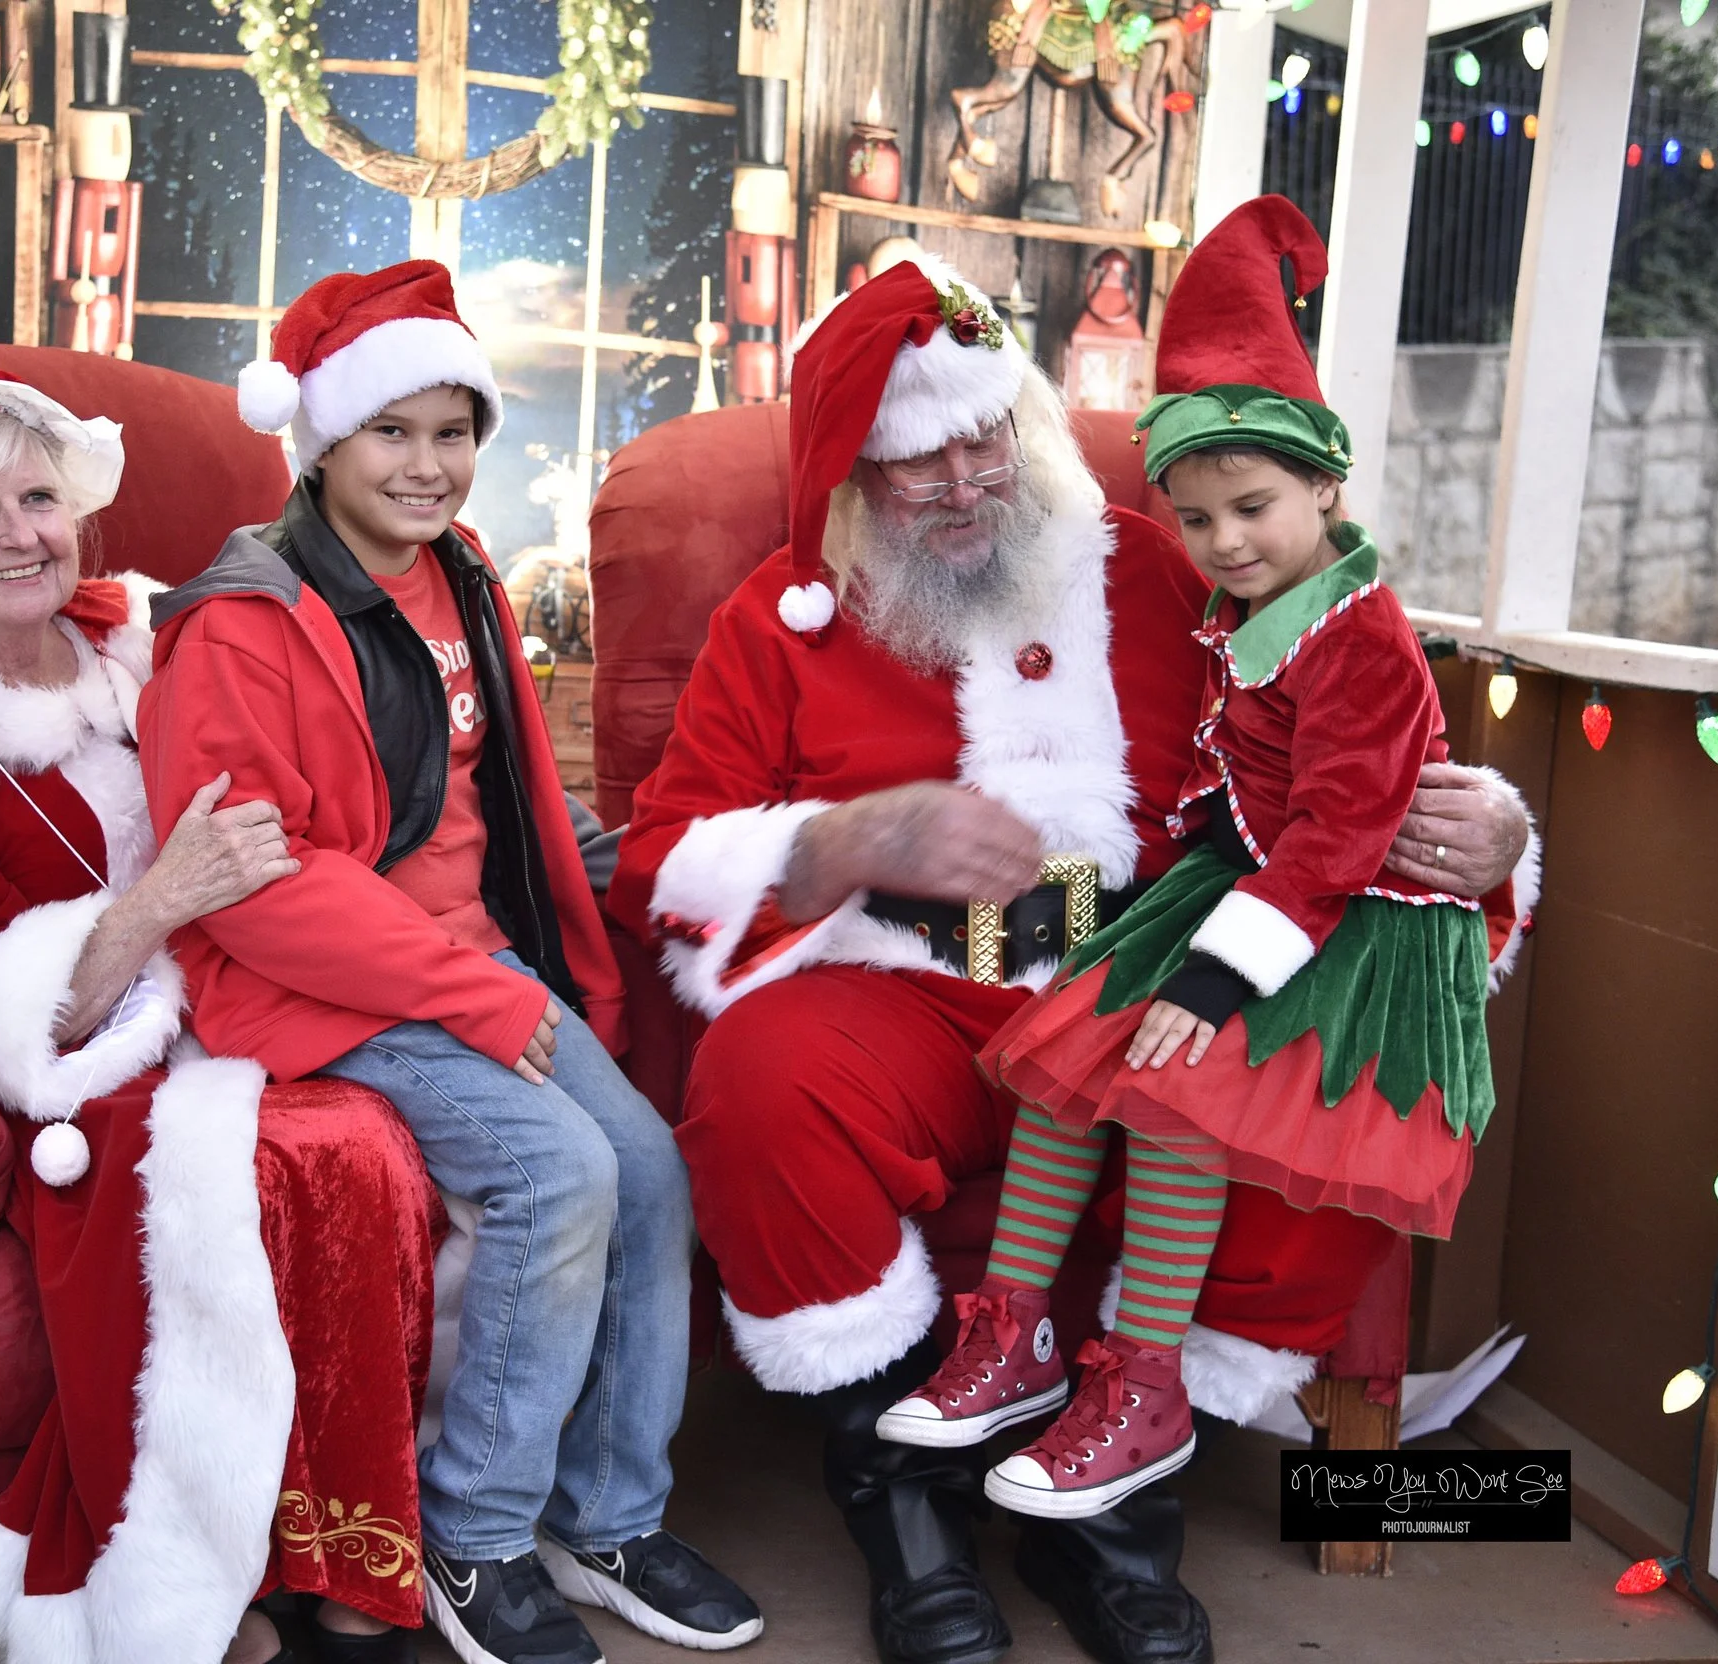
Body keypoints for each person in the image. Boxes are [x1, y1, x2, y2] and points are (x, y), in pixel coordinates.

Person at [606, 228, 1538, 1664]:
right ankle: (910, 1509)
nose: (969, 482)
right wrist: (844, 839)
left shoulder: (1181, 577)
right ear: (855, 476)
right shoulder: (783, 622)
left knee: (1313, 1143)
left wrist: (1486, 840)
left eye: (991, 441)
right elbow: (664, 857)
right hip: (910, 989)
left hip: (1163, 990)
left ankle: (1108, 1523)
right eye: (924, 463)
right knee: (764, 1089)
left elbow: (1350, 764)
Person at [0, 365, 439, 1664]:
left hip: (234, 996)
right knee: (308, 1159)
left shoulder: (139, 639)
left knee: (393, 1131)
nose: (23, 535)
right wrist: (161, 902)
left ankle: (346, 1558)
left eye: (40, 498)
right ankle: (195, 1570)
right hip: (83, 1064)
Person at [138, 261, 762, 1664]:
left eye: (454, 431)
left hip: (471, 960)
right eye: (393, 433)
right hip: (325, 990)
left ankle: (605, 1513)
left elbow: (507, 805)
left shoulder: (463, 575)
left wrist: (649, 891)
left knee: (653, 1170)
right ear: (323, 441)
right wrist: (474, 991)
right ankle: (473, 1542)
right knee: (558, 1172)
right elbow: (258, 885)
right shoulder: (240, 624)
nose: (431, 466)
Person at [873, 198, 1498, 1530]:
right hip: (1248, 882)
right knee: (1065, 1060)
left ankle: (1147, 1380)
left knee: (1169, 1084)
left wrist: (1212, 975)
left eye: (1256, 509)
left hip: (1347, 920)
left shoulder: (1363, 640)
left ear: (1328, 486)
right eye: (1198, 518)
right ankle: (1016, 1333)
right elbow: (1242, 775)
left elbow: (1335, 837)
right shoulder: (1249, 608)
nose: (1226, 544)